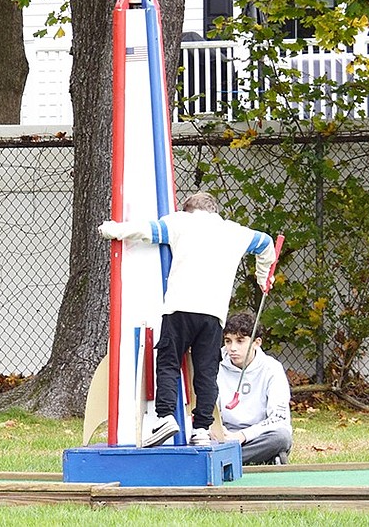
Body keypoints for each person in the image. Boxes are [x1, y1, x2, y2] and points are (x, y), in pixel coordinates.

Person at [98, 191, 277, 448]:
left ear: (187, 210)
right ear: (215, 211)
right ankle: (202, 428)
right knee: (206, 370)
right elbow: (266, 243)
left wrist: (112, 229)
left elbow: (145, 230)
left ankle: (165, 416)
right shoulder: (235, 231)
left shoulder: (179, 222)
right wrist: (263, 277)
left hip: (179, 307)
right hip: (213, 314)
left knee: (169, 362)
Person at [215, 312, 293, 465]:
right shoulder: (214, 365)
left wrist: (243, 435)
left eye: (240, 341)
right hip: (224, 435)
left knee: (282, 437)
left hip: (259, 435)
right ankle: (258, 458)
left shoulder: (272, 369)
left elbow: (279, 419)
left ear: (257, 342)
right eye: (228, 341)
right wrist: (218, 430)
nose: (232, 348)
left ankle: (225, 461)